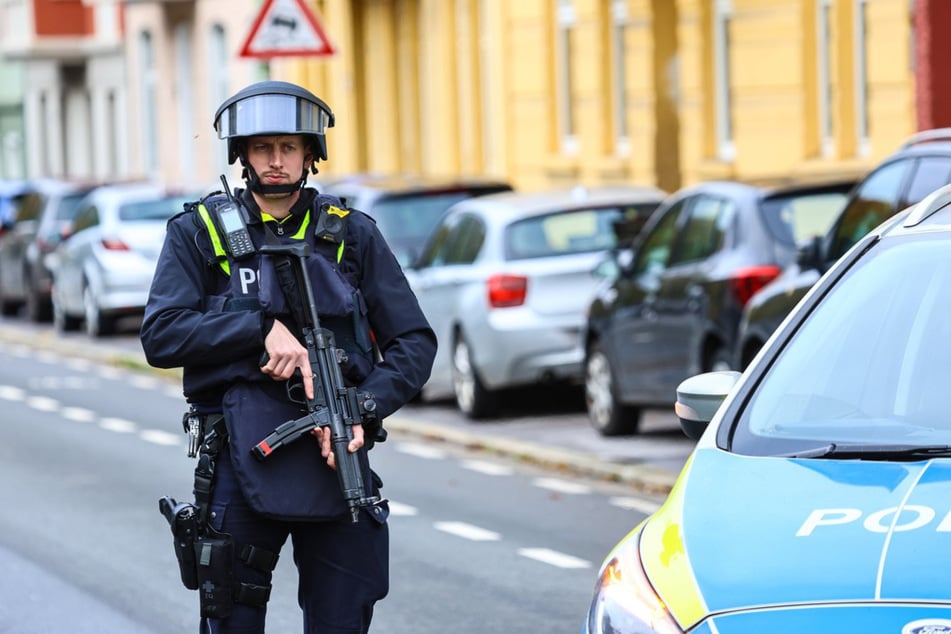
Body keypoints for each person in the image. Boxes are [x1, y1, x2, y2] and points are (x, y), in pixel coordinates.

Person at [141, 80, 436, 634]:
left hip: (337, 454)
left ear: (310, 153)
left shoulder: (352, 236)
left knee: (344, 616)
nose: (276, 161)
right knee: (231, 617)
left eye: (289, 147)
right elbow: (161, 335)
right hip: (237, 455)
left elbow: (414, 343)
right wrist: (257, 330)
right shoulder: (199, 233)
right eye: (262, 148)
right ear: (243, 154)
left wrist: (362, 406)